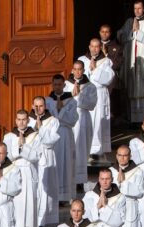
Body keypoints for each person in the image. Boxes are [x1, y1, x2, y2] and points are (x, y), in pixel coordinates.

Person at [3, 110, 41, 227]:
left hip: (28, 172)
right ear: (15, 120)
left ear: (28, 120)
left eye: (24, 119)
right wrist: (18, 147)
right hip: (15, 172)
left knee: (29, 204)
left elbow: (36, 156)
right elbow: (7, 156)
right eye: (19, 119)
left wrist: (24, 146)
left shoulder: (34, 135)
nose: (21, 122)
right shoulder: (9, 136)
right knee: (16, 206)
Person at [79, 38, 116, 160]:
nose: (94, 49)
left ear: (100, 47)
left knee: (99, 122)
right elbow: (77, 76)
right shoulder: (82, 60)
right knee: (86, 121)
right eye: (92, 46)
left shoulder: (106, 61)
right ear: (89, 47)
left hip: (100, 95)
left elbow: (108, 79)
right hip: (86, 95)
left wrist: (95, 70)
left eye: (97, 47)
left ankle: (97, 150)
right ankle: (84, 148)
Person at [29, 95, 62, 227]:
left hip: (47, 156)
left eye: (41, 106)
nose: (38, 109)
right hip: (32, 157)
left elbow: (50, 141)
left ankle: (44, 219)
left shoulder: (53, 121)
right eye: (35, 106)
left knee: (46, 188)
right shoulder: (28, 119)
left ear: (45, 106)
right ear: (32, 107)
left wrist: (40, 128)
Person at [64, 60, 97, 191]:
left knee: (81, 150)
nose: (77, 72)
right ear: (72, 70)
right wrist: (71, 95)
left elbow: (92, 104)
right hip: (68, 120)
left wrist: (78, 97)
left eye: (80, 69)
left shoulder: (90, 86)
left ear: (83, 70)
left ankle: (79, 181)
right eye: (75, 69)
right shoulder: (66, 85)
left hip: (83, 120)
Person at [46, 80, 78, 208]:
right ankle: (53, 194)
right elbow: (46, 118)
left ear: (64, 86)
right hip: (52, 135)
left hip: (65, 135)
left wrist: (60, 111)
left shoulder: (71, 101)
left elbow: (73, 120)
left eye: (60, 84)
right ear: (52, 85)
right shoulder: (47, 101)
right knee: (54, 163)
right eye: (55, 84)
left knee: (66, 163)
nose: (57, 87)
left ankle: (64, 196)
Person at [99, 23, 125, 123]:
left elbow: (117, 64)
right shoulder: (95, 44)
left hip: (112, 80)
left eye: (107, 32)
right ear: (99, 32)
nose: (104, 34)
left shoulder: (117, 47)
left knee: (112, 102)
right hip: (98, 80)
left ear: (110, 33)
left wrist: (106, 56)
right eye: (102, 32)